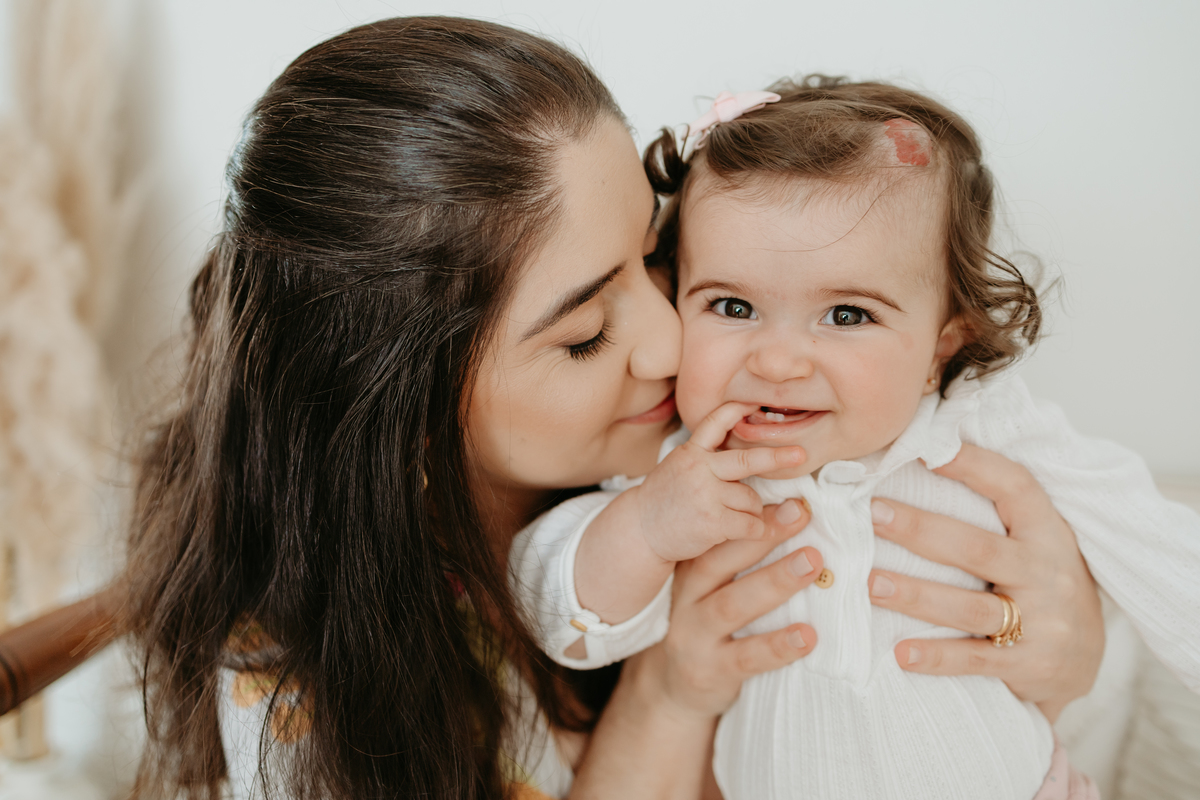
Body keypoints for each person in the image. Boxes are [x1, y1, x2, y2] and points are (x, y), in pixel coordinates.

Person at [123, 20, 1107, 800]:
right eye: (588, 332)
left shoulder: (727, 422)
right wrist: (669, 692)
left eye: (655, 257)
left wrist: (1065, 645)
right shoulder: (302, 692)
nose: (673, 342)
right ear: (405, 407)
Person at [514, 76, 1200, 799]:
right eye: (733, 306)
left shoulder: (981, 423)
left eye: (846, 315)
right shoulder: (690, 464)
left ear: (941, 345)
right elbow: (552, 609)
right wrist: (646, 529)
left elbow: (1156, 546)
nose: (777, 362)